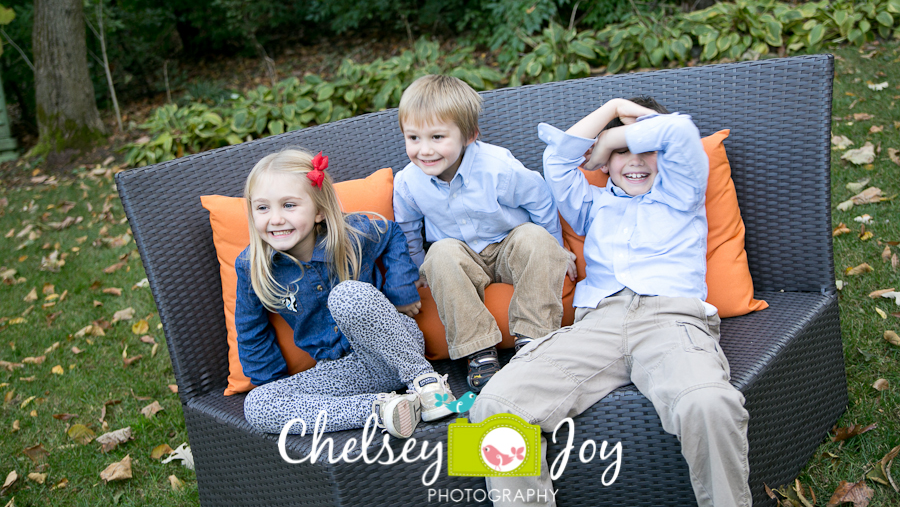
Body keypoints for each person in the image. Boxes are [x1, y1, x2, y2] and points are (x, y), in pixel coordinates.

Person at [470, 97, 751, 507]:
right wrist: (612, 108)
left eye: (645, 148)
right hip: (595, 326)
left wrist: (615, 136)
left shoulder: (682, 192)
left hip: (670, 322)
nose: (634, 160)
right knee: (492, 406)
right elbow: (557, 161)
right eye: (620, 152)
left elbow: (680, 132)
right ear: (603, 162)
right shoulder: (591, 204)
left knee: (708, 402)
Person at [236, 148, 456, 440]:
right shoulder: (253, 266)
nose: (275, 219)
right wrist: (273, 385)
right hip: (345, 373)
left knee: (346, 295)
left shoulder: (353, 234)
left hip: (395, 346)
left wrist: (401, 290)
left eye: (289, 205)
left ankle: (427, 385)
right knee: (258, 404)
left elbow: (391, 233)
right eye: (263, 208)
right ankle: (385, 410)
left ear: (318, 211)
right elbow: (251, 330)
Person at [392, 74, 576, 394]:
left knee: (535, 239)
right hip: (461, 256)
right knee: (440, 254)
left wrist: (557, 247)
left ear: (470, 135)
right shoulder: (409, 182)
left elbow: (540, 199)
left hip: (507, 245)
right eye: (413, 138)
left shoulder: (497, 166)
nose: (424, 150)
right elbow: (407, 227)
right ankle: (478, 351)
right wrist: (417, 267)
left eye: (437, 137)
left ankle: (534, 341)